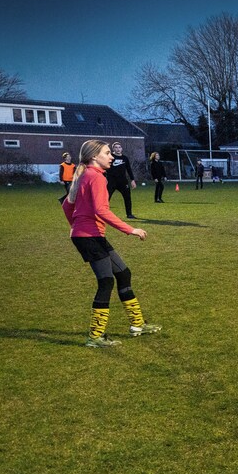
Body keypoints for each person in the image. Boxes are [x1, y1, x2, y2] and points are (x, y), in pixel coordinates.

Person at [63, 140, 160, 348]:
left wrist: (76, 225)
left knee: (123, 273)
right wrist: (131, 229)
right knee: (106, 281)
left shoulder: (86, 175)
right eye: (107, 153)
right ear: (94, 157)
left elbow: (66, 205)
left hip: (90, 235)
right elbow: (101, 210)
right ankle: (95, 336)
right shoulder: (95, 177)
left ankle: (137, 324)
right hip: (89, 237)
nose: (112, 157)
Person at [105, 141, 137, 218]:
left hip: (122, 181)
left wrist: (132, 180)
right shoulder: (110, 157)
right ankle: (104, 214)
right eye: (116, 147)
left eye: (119, 147)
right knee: (106, 198)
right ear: (113, 149)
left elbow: (129, 169)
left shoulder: (125, 158)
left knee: (127, 197)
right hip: (111, 181)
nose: (118, 149)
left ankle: (129, 214)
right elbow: (104, 168)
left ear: (121, 149)